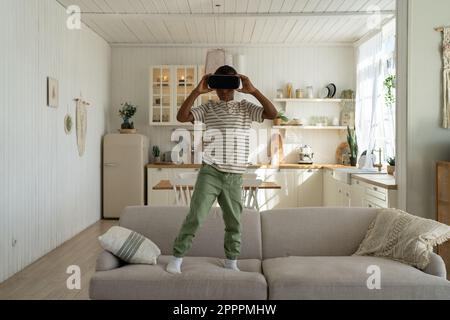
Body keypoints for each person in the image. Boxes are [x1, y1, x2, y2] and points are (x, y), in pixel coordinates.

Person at [166, 65, 277, 274]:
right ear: (215, 86)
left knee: (234, 222)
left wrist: (253, 90)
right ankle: (177, 257)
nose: (224, 90)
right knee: (196, 216)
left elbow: (272, 113)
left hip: (235, 175)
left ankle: (231, 262)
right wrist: (197, 91)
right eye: (220, 85)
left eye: (228, 84)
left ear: (235, 85)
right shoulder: (208, 108)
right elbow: (182, 117)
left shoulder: (245, 107)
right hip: (211, 171)